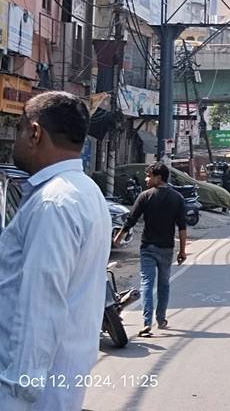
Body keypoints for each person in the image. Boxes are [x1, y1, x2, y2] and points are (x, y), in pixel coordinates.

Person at [0, 92, 111, 411]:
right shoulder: (85, 191)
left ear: (35, 133)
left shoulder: (53, 203)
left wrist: (16, 395)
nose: (16, 140)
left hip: (29, 395)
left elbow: (39, 306)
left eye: (19, 129)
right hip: (58, 384)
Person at [114, 162, 188, 337]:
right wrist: (182, 250)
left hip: (148, 247)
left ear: (158, 177)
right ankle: (161, 319)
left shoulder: (145, 196)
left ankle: (147, 322)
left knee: (147, 283)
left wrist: (118, 237)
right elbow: (182, 227)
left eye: (149, 176)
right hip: (167, 248)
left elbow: (131, 219)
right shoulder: (177, 198)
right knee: (164, 284)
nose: (146, 179)